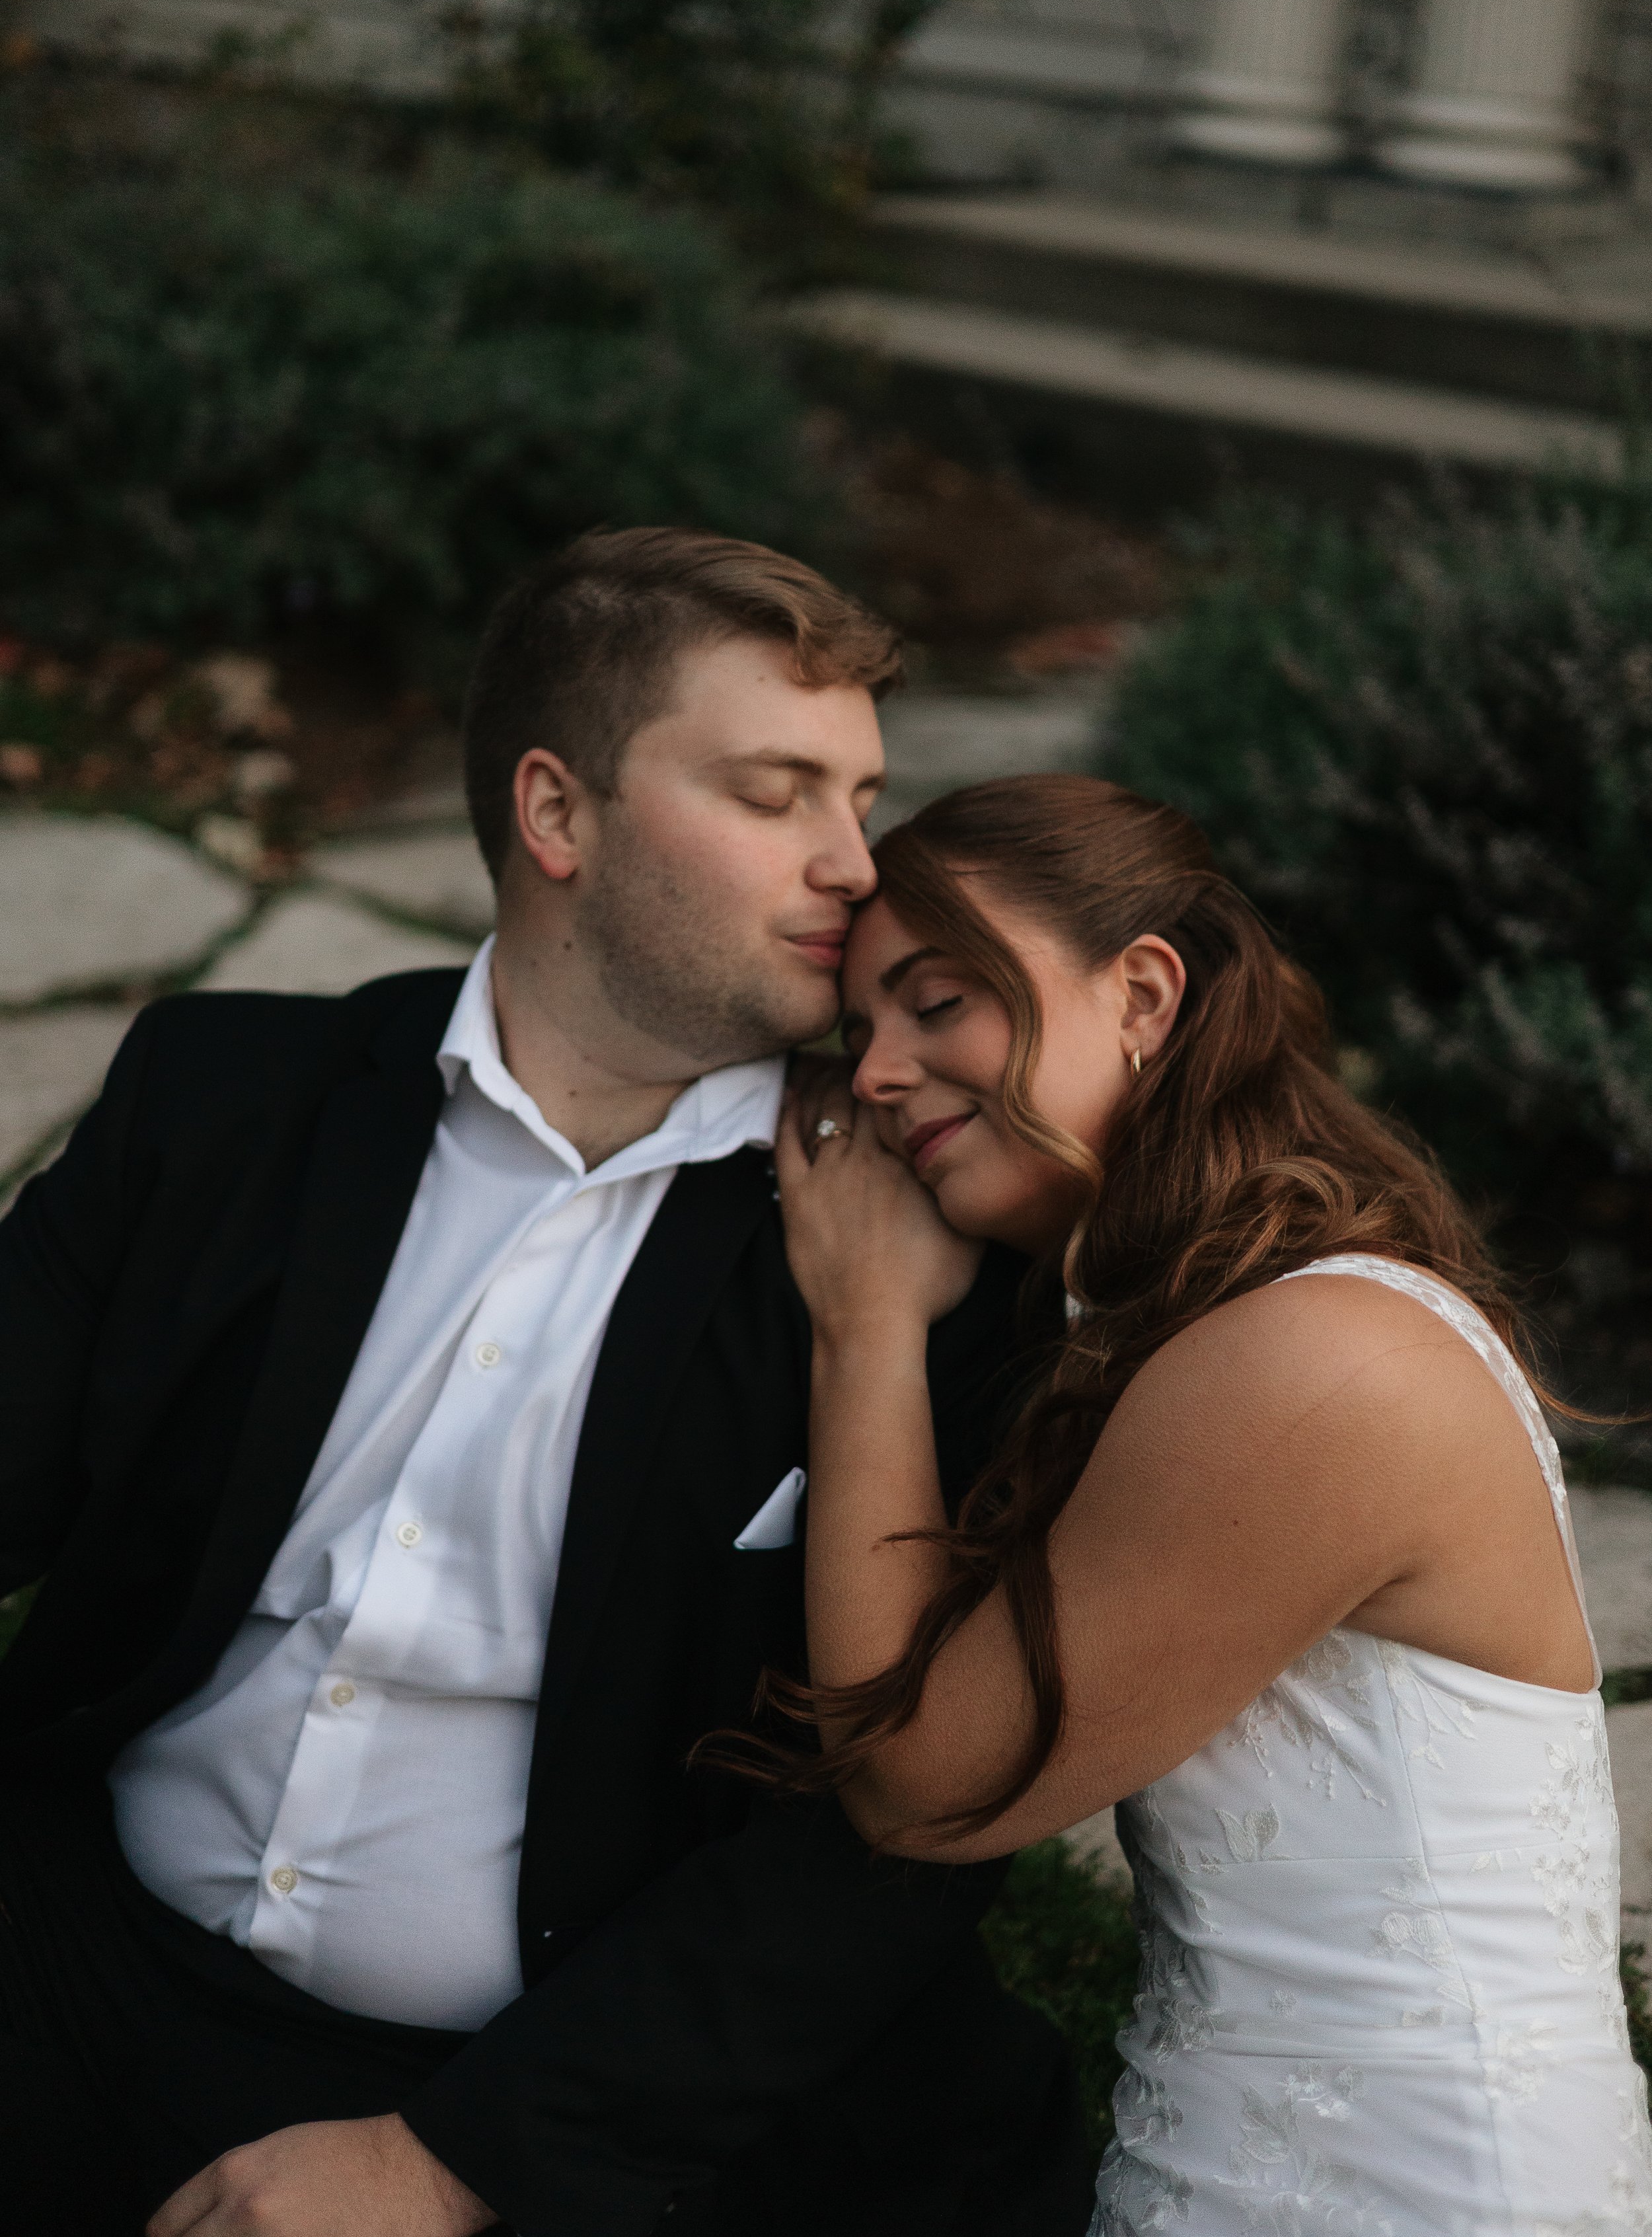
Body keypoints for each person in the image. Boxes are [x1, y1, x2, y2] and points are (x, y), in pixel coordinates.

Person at [0, 532, 1093, 2237]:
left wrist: (454, 2164)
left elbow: (880, 1855)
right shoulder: (223, 1099)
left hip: (559, 2100)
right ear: (555, 814)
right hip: (79, 1957)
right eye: (776, 794)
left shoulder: (922, 1241)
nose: (853, 866)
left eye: (862, 800)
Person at [772, 772, 1652, 2232]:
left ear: (1140, 994)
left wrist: (862, 1329)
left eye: (937, 1003)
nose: (873, 1075)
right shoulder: (1196, 1325)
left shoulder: (1308, 1360)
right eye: (858, 1034)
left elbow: (920, 1785)